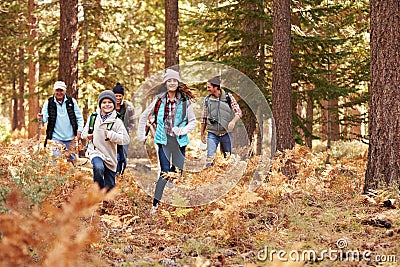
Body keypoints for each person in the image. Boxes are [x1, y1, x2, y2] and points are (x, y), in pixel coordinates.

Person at [137, 69, 196, 214]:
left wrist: (181, 131)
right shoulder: (159, 100)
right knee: (164, 172)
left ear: (178, 83)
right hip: (163, 141)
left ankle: (177, 205)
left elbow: (193, 121)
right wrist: (141, 135)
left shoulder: (184, 101)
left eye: (174, 80)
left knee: (177, 173)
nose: (172, 83)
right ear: (165, 83)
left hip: (179, 142)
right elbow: (144, 116)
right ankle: (155, 206)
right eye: (169, 80)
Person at [81, 90, 130, 192]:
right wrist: (87, 135)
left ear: (114, 104)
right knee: (98, 168)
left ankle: (106, 201)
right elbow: (83, 133)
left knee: (110, 187)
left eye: (110, 102)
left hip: (110, 156)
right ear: (100, 104)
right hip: (95, 151)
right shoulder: (93, 117)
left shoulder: (117, 121)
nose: (107, 105)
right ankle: (98, 193)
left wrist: (111, 135)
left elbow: (125, 139)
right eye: (104, 102)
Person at [37, 81, 84, 165]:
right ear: (54, 91)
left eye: (61, 90)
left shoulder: (71, 102)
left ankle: (72, 178)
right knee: (56, 161)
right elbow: (44, 119)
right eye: (57, 90)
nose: (59, 93)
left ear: (65, 91)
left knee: (72, 163)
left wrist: (79, 130)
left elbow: (79, 118)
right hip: (56, 138)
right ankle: (55, 178)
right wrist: (41, 118)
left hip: (71, 138)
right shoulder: (49, 102)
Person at [200, 76, 242, 167]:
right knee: (210, 158)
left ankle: (226, 179)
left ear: (216, 87)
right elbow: (203, 118)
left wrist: (233, 121)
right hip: (212, 133)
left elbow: (238, 112)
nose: (207, 89)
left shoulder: (228, 97)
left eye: (209, 87)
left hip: (226, 133)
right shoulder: (207, 100)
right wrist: (202, 133)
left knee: (227, 159)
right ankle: (208, 178)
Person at [113, 82, 135, 175]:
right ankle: (115, 174)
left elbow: (132, 122)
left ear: (122, 96)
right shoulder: (110, 106)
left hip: (124, 136)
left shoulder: (128, 107)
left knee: (123, 157)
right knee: (115, 157)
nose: (118, 98)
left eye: (120, 96)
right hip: (113, 136)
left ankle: (121, 173)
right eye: (116, 96)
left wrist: (127, 131)